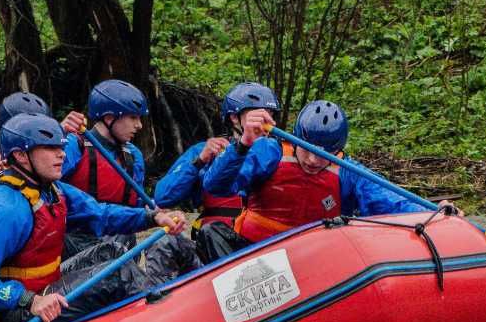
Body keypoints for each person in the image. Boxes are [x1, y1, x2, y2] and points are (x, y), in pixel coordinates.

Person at [0, 114, 193, 322]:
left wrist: (153, 217)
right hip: (9, 315)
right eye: (50, 149)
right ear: (21, 156)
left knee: (112, 252)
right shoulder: (3, 208)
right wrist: (30, 300)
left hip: (42, 288)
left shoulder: (49, 188)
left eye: (60, 147)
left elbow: (101, 214)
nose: (60, 155)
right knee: (120, 274)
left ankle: (161, 311)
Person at [199, 99, 452, 262]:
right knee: (211, 232)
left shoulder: (348, 172)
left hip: (308, 263)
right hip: (252, 253)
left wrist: (436, 213)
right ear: (295, 138)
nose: (312, 160)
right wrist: (243, 144)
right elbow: (216, 185)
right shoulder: (269, 152)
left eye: (324, 154)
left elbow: (392, 202)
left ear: (337, 151)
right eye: (306, 148)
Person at [154, 81, 279, 259]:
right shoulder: (204, 151)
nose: (266, 120)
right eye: (257, 114)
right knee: (164, 245)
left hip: (256, 244)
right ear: (234, 117)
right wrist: (199, 161)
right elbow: (163, 196)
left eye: (270, 114)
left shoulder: (272, 149)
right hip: (210, 243)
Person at [61, 79, 147, 208]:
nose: (139, 125)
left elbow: (139, 202)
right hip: (79, 226)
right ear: (109, 118)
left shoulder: (134, 154)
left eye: (140, 118)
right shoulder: (74, 145)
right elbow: (45, 185)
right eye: (133, 117)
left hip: (124, 226)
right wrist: (58, 134)